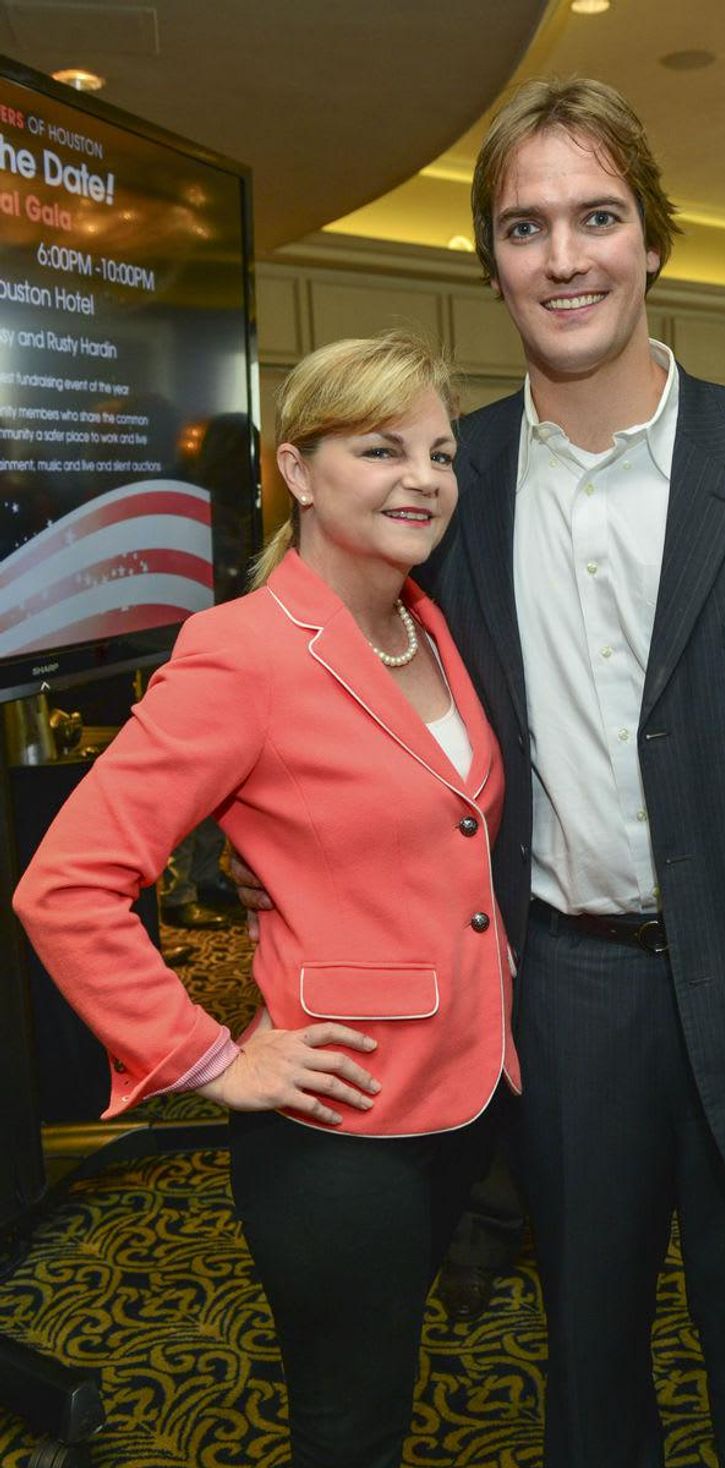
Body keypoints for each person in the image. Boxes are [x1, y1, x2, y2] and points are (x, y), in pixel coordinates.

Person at [235, 79, 725, 1468]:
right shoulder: (453, 484)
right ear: (491, 262)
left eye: (597, 217)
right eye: (525, 226)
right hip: (562, 995)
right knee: (589, 1365)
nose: (565, 258)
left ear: (652, 241)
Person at [13, 332, 520, 1468]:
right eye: (381, 448)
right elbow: (66, 883)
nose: (423, 479)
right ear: (296, 469)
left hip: (460, 1094)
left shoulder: (429, 622)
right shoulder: (238, 651)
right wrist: (207, 1060)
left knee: (392, 1390)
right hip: (337, 1128)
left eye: (439, 453)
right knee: (351, 1423)